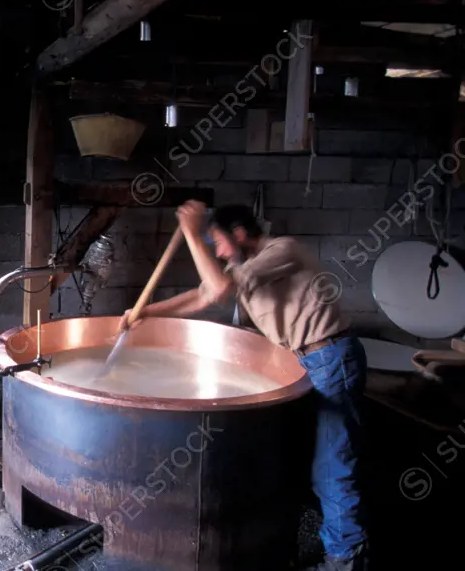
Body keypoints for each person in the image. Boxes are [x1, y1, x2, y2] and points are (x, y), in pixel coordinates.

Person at [120, 201, 367, 571]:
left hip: (330, 359)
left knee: (332, 465)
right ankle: (324, 537)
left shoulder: (282, 249)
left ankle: (348, 560)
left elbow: (217, 290)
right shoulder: (243, 267)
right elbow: (204, 294)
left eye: (218, 242)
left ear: (238, 235)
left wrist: (190, 231)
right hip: (305, 362)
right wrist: (144, 313)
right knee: (309, 458)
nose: (218, 252)